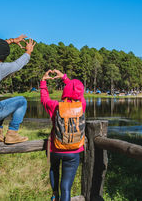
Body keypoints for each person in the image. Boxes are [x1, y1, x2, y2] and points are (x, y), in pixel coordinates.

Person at [40, 69, 86, 201]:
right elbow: (78, 93)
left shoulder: (55, 106)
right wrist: (65, 78)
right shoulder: (81, 106)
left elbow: (44, 99)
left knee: (54, 169)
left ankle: (54, 195)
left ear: (65, 90)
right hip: (74, 151)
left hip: (56, 149)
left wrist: (43, 81)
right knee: (66, 187)